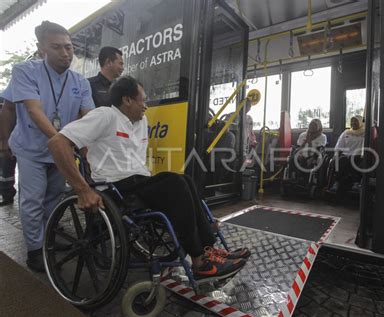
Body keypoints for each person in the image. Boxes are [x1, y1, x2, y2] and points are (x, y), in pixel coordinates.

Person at [48, 76, 250, 282]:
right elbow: (57, 143)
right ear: (127, 100)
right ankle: (200, 263)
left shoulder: (142, 121)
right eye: (142, 100)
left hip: (138, 182)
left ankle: (209, 249)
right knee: (176, 183)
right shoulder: (105, 116)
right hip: (114, 188)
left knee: (185, 180)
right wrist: (83, 190)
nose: (146, 106)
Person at [8, 21, 95, 272]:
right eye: (57, 47)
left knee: (54, 198)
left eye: (68, 47)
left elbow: (88, 117)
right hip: (31, 148)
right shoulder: (24, 71)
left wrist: (89, 150)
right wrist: (61, 142)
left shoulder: (81, 81)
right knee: (33, 200)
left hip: (62, 150)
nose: (65, 53)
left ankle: (48, 239)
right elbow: (34, 111)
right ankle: (35, 250)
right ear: (42, 48)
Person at [328, 115, 365, 194]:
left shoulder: (364, 133)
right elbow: (339, 146)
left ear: (360, 122)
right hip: (345, 155)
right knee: (339, 161)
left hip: (358, 155)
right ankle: (336, 183)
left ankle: (356, 183)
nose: (353, 123)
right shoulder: (346, 132)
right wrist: (336, 156)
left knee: (354, 161)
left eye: (356, 121)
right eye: (352, 121)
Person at [0, 95, 17, 206]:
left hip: (13, 143)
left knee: (6, 172)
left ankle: (8, 195)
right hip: (8, 143)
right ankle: (7, 194)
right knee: (5, 172)